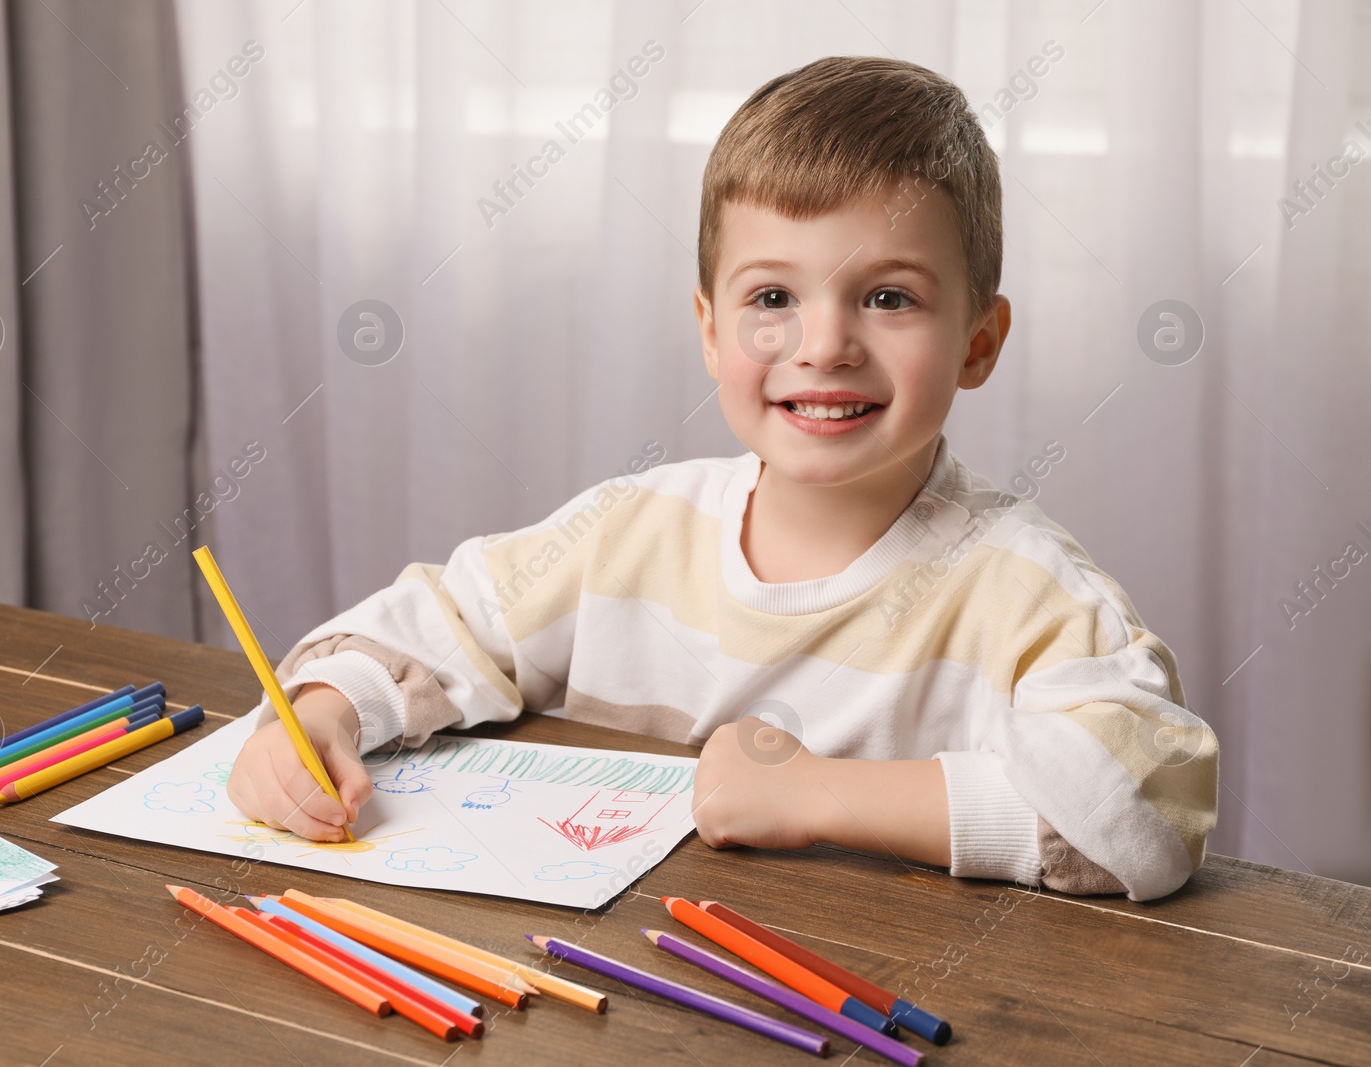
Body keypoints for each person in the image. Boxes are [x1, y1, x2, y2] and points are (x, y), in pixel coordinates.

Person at [227, 55, 1217, 901]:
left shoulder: (1025, 588)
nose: (823, 344)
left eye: (887, 297)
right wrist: (317, 715)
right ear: (709, 329)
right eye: (773, 296)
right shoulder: (630, 531)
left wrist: (818, 793)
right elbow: (435, 625)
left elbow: (1143, 811)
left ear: (978, 340)